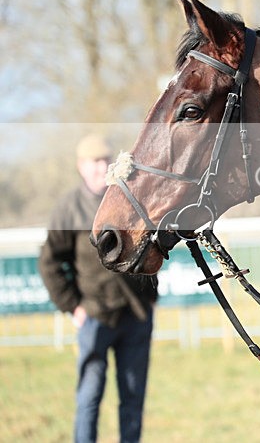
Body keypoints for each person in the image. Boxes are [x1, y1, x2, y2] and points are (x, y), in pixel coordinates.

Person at [38, 134, 158, 443]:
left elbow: (151, 250)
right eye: (94, 162)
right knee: (89, 396)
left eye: (106, 160)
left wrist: (151, 298)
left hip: (136, 316)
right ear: (81, 167)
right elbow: (50, 263)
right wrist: (73, 307)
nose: (101, 167)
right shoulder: (69, 208)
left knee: (132, 398)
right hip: (93, 317)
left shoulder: (131, 201)